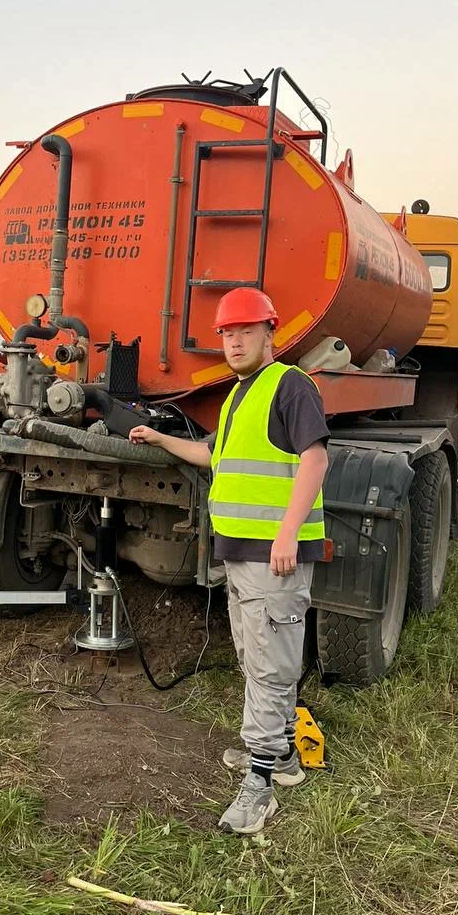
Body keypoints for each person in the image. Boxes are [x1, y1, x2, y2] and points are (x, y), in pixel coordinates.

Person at [129, 288, 329, 835]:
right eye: (226, 333)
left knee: (268, 664)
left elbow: (316, 458)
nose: (234, 341)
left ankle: (259, 785)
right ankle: (283, 758)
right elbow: (212, 455)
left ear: (271, 332)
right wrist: (160, 438)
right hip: (241, 555)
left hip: (274, 557)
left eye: (244, 330)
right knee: (259, 655)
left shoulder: (290, 386)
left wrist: (288, 535)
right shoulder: (241, 395)